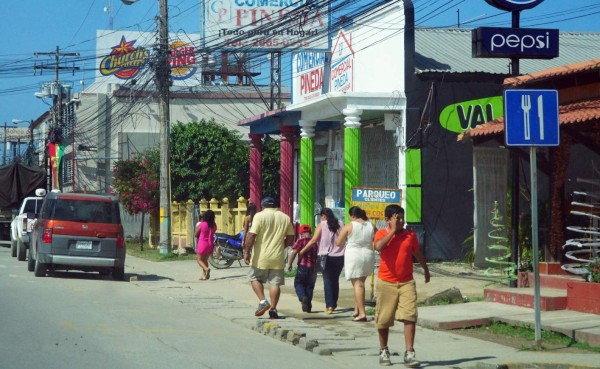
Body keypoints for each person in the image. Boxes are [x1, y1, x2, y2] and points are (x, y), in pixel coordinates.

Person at [373, 205, 430, 367]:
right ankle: (384, 350)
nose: (401, 221)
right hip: (386, 282)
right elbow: (378, 247)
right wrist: (391, 231)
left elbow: (417, 253)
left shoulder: (409, 235)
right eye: (397, 218)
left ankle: (409, 352)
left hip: (406, 282)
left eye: (402, 218)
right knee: (383, 319)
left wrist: (426, 269)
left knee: (410, 315)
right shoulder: (381, 233)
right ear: (387, 220)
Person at [243, 196, 295, 319]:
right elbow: (291, 237)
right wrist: (283, 246)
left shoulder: (259, 216)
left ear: (263, 205)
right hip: (277, 257)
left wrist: (246, 251)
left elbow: (251, 235)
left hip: (260, 256)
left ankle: (262, 301)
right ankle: (273, 309)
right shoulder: (285, 217)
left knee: (254, 278)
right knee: (275, 284)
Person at [300, 208, 344, 313]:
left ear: (323, 216)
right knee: (335, 280)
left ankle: (329, 306)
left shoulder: (322, 225)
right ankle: (333, 303)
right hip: (340, 256)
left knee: (328, 280)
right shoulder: (340, 223)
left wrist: (302, 251)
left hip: (326, 256)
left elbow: (314, 240)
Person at [336, 206, 375, 322]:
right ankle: (357, 310)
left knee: (357, 284)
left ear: (352, 216)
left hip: (354, 255)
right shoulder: (371, 225)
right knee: (360, 283)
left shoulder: (350, 225)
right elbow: (377, 237)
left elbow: (338, 242)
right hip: (368, 254)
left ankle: (362, 313)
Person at [287, 224, 318, 313]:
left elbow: (294, 252)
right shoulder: (314, 242)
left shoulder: (300, 241)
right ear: (310, 233)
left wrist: (289, 264)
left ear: (301, 233)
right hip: (313, 268)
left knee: (299, 284)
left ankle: (302, 297)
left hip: (302, 267)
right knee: (310, 286)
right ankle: (308, 304)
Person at [195, 210, 217, 281]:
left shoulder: (202, 224)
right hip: (210, 244)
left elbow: (196, 234)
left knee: (199, 259)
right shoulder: (214, 225)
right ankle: (204, 275)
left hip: (202, 243)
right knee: (204, 260)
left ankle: (206, 269)